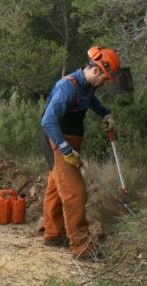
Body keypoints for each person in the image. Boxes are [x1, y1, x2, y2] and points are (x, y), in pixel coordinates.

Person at [39, 46, 123, 260]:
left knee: (56, 188)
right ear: (96, 71)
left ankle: (53, 234)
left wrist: (105, 114)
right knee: (75, 193)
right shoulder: (67, 88)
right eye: (104, 79)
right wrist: (65, 149)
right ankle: (83, 248)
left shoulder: (86, 87)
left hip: (70, 140)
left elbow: (91, 101)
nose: (104, 83)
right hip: (56, 141)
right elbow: (48, 120)